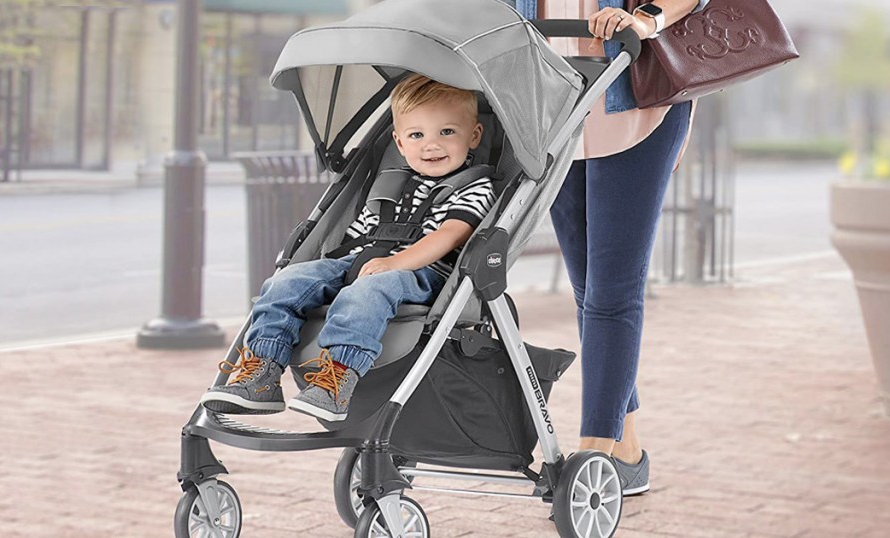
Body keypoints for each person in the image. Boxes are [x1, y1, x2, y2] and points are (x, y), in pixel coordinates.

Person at [201, 74, 496, 422]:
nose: (431, 145)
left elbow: (450, 235)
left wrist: (396, 262)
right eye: (417, 135)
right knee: (287, 281)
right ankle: (262, 373)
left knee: (369, 290)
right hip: (363, 260)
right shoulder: (391, 183)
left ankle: (336, 380)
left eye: (447, 132)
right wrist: (329, 272)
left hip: (423, 272)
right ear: (399, 143)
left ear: (474, 135)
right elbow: (357, 234)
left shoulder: (475, 186)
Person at [512, 0, 708, 496]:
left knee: (613, 293)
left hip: (636, 104)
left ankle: (592, 454)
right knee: (587, 292)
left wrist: (643, 18)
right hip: (554, 111)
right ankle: (628, 452)